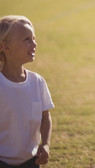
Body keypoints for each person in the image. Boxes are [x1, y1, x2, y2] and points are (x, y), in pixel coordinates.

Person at [0, 15, 54, 167]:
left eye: (34, 38)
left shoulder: (37, 82)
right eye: (27, 40)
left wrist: (46, 144)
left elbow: (45, 117)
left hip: (31, 161)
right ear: (5, 46)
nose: (34, 44)